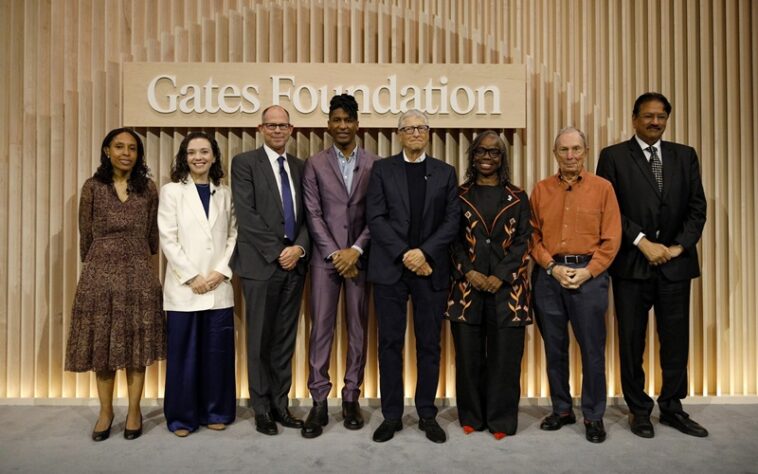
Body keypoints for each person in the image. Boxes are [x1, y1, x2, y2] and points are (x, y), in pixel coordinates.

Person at [596, 92, 708, 438]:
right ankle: (639, 410)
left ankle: (672, 407)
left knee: (675, 341)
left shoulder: (685, 155)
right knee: (631, 341)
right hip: (632, 264)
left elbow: (697, 208)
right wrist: (643, 242)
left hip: (675, 264)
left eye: (661, 116)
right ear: (634, 119)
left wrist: (677, 247)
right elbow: (609, 210)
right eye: (648, 116)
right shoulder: (613, 156)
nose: (655, 122)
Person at [65, 127, 166, 441]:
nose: (126, 153)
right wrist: (99, 264)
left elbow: (152, 237)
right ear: (107, 151)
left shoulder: (148, 189)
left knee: (137, 347)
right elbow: (85, 236)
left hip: (139, 274)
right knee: (102, 347)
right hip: (100, 276)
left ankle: (134, 411)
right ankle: (106, 412)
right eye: (119, 147)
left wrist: (137, 259)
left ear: (139, 154)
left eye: (132, 148)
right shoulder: (92, 187)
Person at [367, 109, 460, 444]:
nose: (415, 133)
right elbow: (375, 217)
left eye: (421, 128)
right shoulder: (382, 169)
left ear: (429, 133)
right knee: (389, 344)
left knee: (429, 345)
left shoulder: (445, 172)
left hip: (430, 269)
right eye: (409, 128)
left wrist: (424, 253)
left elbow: (452, 220)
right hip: (391, 269)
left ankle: (426, 413)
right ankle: (391, 415)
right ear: (399, 134)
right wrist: (406, 254)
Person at [530, 127, 621, 444]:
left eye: (576, 149)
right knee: (554, 349)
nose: (570, 156)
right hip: (549, 276)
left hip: (589, 278)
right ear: (555, 154)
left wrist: (589, 271)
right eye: (564, 150)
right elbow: (532, 236)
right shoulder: (541, 189)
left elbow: (612, 239)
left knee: (592, 350)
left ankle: (593, 415)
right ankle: (562, 409)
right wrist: (552, 267)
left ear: (586, 151)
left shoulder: (603, 188)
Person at [301, 94, 379, 438]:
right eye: (337, 120)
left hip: (361, 260)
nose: (343, 125)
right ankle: (319, 400)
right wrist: (336, 253)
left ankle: (351, 397)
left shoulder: (375, 163)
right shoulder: (314, 164)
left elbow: (378, 214)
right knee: (321, 329)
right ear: (328, 125)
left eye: (348, 120)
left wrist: (356, 250)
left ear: (357, 124)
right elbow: (313, 214)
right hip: (325, 261)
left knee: (358, 329)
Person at [445, 130, 532, 440]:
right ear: (472, 156)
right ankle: (471, 416)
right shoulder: (458, 195)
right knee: (468, 359)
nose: (487, 157)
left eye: (494, 152)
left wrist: (501, 275)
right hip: (466, 290)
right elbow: (451, 239)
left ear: (502, 158)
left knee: (505, 360)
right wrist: (469, 272)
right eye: (481, 151)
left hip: (508, 293)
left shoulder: (518, 197)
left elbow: (524, 241)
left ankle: (501, 420)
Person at [231, 105, 310, 436]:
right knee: (260, 339)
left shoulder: (301, 167)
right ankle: (261, 408)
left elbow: (310, 215)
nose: (277, 130)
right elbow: (247, 215)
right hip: (261, 265)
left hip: (295, 265)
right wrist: (279, 252)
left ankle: (280, 405)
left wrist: (299, 248)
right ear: (261, 128)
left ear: (291, 129)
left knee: (283, 340)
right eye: (271, 125)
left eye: (283, 125)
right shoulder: (244, 163)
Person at [158, 131, 237, 437]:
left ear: (214, 156)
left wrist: (221, 271)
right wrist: (192, 276)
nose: (198, 157)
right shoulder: (171, 191)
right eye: (192, 152)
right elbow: (168, 237)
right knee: (184, 356)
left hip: (218, 286)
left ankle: (216, 411)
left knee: (217, 355)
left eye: (204, 151)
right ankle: (182, 417)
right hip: (185, 287)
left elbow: (234, 235)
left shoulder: (224, 192)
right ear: (184, 157)